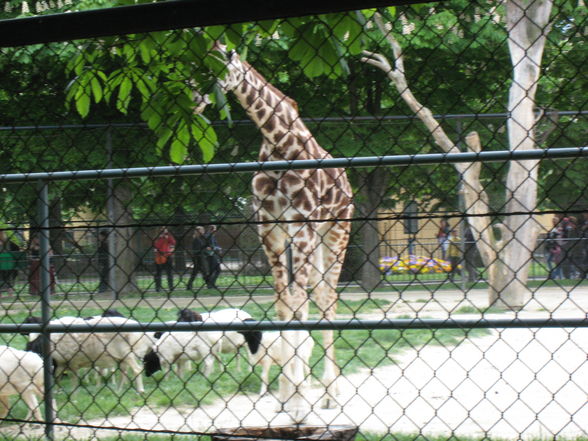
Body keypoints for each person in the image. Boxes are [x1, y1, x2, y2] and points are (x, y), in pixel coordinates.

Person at [153, 227, 176, 292]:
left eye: (166, 232)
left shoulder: (168, 237)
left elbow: (173, 242)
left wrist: (167, 236)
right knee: (158, 273)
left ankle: (171, 287)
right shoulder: (158, 238)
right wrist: (162, 238)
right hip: (160, 257)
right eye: (163, 231)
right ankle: (158, 288)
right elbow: (157, 246)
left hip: (168, 257)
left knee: (169, 273)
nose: (165, 233)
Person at [186, 226, 208, 291]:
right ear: (199, 231)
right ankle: (209, 284)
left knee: (200, 272)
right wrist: (205, 248)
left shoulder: (199, 238)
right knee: (202, 271)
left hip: (199, 257)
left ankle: (189, 285)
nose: (203, 231)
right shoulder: (196, 239)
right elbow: (199, 248)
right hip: (198, 257)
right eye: (202, 230)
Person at [204, 225, 221, 289]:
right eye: (215, 229)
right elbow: (210, 246)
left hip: (213, 254)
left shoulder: (212, 236)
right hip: (210, 255)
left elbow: (214, 245)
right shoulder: (208, 236)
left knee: (215, 270)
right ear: (211, 230)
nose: (216, 231)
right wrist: (217, 248)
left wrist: (218, 248)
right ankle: (210, 284)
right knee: (214, 270)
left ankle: (211, 284)